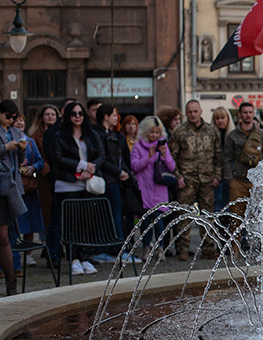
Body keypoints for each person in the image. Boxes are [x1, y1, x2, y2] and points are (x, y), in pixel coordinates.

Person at [48, 101, 104, 276]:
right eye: (73, 114)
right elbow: (57, 158)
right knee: (71, 223)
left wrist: (91, 168)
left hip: (88, 183)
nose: (77, 117)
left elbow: (101, 155)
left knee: (86, 221)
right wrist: (82, 165)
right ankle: (73, 259)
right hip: (67, 183)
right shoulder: (60, 135)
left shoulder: (91, 134)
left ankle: (84, 257)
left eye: (80, 113)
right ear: (68, 116)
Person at [170, 100, 222, 260]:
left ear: (200, 112)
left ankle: (208, 248)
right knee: (184, 214)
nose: (193, 114)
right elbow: (172, 157)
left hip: (207, 179)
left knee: (207, 214)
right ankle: (183, 249)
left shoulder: (211, 130)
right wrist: (178, 176)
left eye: (195, 111)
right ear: (186, 113)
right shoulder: (179, 131)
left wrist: (217, 175)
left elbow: (218, 155)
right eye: (190, 112)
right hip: (187, 179)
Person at [222, 102, 263, 235]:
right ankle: (235, 246)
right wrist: (230, 180)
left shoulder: (262, 135)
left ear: (254, 114)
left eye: (250, 112)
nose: (248, 115)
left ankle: (259, 245)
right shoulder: (232, 136)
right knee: (236, 219)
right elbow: (226, 158)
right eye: (245, 112)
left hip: (258, 182)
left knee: (259, 218)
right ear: (240, 115)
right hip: (238, 181)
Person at [91, 104, 131, 262]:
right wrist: (118, 172)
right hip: (106, 179)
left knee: (115, 214)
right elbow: (103, 158)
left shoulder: (113, 134)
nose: (116, 118)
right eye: (114, 115)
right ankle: (114, 249)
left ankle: (114, 248)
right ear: (106, 117)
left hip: (113, 178)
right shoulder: (98, 134)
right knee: (111, 215)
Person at [130, 116, 176, 252]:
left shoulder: (163, 146)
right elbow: (134, 166)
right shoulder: (138, 146)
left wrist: (164, 156)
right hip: (144, 188)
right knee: (145, 220)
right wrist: (148, 157)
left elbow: (172, 167)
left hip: (159, 189)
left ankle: (160, 248)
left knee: (159, 219)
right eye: (152, 132)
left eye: (157, 132)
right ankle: (146, 247)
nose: (154, 135)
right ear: (145, 132)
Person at [0, 101, 27, 294]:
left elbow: (20, 160)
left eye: (14, 117)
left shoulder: (16, 132)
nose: (11, 120)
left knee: (5, 236)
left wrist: (22, 148)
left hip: (9, 186)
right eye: (8, 116)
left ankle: (11, 284)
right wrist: (5, 147)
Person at [15, 112, 44, 269]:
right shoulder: (8, 141)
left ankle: (28, 255)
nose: (19, 123)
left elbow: (40, 161)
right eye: (16, 120)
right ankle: (14, 255)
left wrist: (33, 167)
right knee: (16, 222)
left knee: (30, 222)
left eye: (22, 120)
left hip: (29, 187)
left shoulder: (30, 142)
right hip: (14, 187)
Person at [28, 105, 58, 232]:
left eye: (53, 114)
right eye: (47, 114)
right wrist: (48, 170)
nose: (50, 117)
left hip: (60, 176)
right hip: (44, 179)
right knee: (46, 213)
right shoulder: (35, 137)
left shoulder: (61, 134)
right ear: (41, 118)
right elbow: (35, 157)